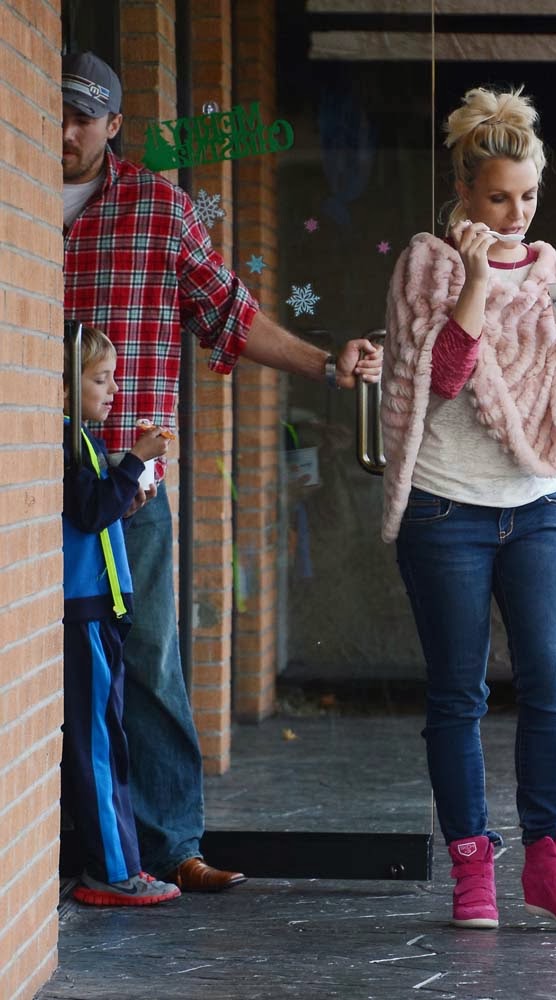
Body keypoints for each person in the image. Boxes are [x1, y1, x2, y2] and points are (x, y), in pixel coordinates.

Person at [61, 51, 382, 892]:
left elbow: (231, 316)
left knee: (148, 659)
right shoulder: (13, 196)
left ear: (114, 124)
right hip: (28, 486)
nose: (63, 132)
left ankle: (170, 845)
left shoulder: (157, 209)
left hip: (126, 486)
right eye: (54, 113)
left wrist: (325, 365)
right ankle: (74, 844)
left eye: (82, 118)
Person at [380, 85, 556, 929]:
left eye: (526, 197)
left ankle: (551, 861)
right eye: (496, 198)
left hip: (536, 505)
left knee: (550, 681)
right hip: (445, 508)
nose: (515, 214)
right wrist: (476, 280)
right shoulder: (426, 264)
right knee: (458, 694)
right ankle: (471, 869)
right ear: (463, 192)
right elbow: (441, 379)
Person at [62, 325, 181, 906]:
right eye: (100, 379)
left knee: (110, 740)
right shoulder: (66, 442)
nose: (113, 391)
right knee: (98, 746)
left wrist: (127, 493)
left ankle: (123, 863)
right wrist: (135, 460)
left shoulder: (83, 440)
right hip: (84, 615)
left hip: (102, 611)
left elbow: (97, 512)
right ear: (65, 385)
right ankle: (111, 871)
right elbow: (88, 512)